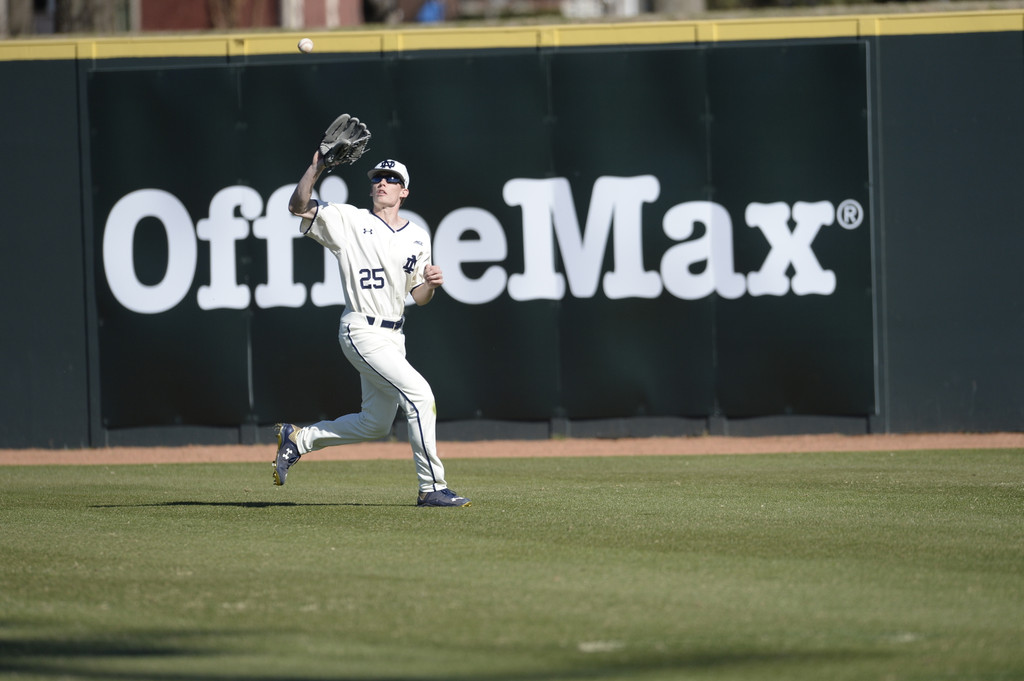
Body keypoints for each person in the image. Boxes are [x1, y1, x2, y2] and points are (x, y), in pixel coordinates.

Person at [273, 152, 470, 508]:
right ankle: (431, 487)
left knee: (375, 424)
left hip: (395, 335)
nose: (382, 182)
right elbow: (297, 206)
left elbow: (417, 296)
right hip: (361, 329)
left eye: (391, 179)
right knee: (420, 396)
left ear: (404, 191)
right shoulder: (348, 220)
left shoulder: (418, 236)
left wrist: (431, 284)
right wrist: (316, 167)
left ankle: (298, 439)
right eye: (377, 178)